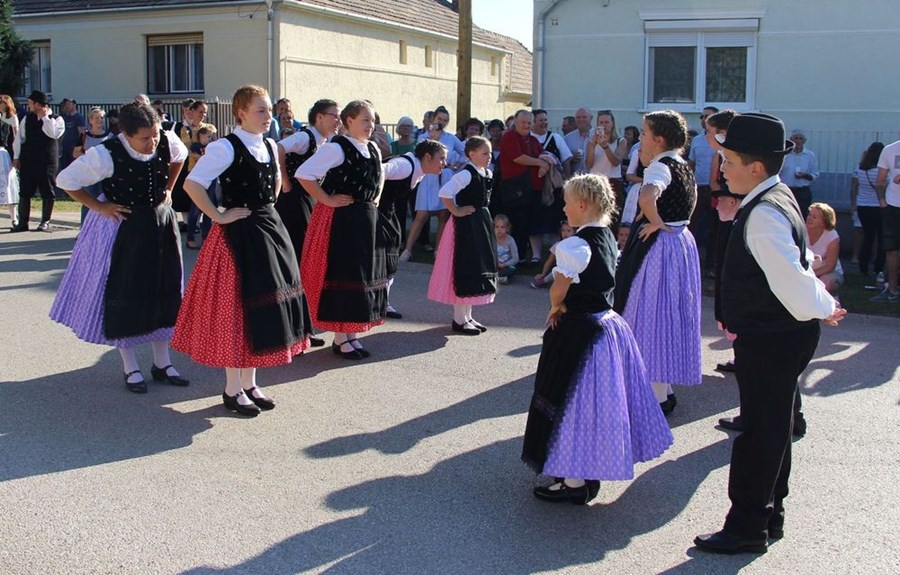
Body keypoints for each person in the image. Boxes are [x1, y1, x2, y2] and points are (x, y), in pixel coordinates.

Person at [695, 113, 845, 555]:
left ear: (756, 167)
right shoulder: (775, 196)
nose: (722, 168)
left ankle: (747, 526)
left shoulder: (764, 212)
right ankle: (768, 516)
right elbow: (801, 263)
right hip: (779, 333)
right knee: (773, 429)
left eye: (729, 160)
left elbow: (791, 278)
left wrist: (823, 306)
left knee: (761, 433)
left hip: (771, 337)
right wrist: (821, 304)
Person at [521, 173, 674, 505]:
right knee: (595, 405)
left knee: (572, 402)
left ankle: (574, 481)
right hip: (607, 327)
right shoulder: (606, 236)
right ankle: (586, 474)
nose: (563, 208)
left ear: (582, 204)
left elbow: (559, 288)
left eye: (566, 202)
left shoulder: (574, 245)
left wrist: (556, 305)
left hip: (580, 332)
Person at [172, 85, 307, 417]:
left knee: (261, 309)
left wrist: (268, 209)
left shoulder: (269, 144)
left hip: (269, 231)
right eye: (261, 110)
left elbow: (275, 186)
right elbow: (192, 184)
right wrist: (218, 215)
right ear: (241, 113)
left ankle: (250, 383)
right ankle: (232, 389)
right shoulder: (225, 147)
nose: (268, 116)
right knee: (238, 311)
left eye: (269, 110)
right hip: (238, 237)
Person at [50, 102, 189, 393]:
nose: (153, 142)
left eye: (155, 134)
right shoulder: (106, 153)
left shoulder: (165, 139)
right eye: (144, 138)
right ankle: (130, 366)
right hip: (124, 228)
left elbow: (181, 156)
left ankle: (162, 363)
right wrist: (99, 206)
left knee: (163, 289)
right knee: (126, 291)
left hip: (159, 224)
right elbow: (65, 180)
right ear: (125, 134)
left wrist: (168, 189)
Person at [614, 110, 701, 415]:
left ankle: (656, 396)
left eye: (644, 133)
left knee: (650, 316)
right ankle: (663, 389)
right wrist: (671, 222)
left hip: (659, 248)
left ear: (659, 139)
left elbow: (647, 195)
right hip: (680, 243)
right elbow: (692, 199)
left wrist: (657, 222)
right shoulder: (681, 164)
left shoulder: (659, 166)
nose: (641, 138)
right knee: (668, 315)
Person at [296, 100, 387, 360]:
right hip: (341, 219)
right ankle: (340, 338)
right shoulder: (336, 148)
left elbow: (379, 177)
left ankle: (351, 334)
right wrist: (326, 199)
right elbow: (304, 173)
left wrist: (373, 202)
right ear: (349, 121)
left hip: (365, 218)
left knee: (360, 276)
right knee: (343, 273)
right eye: (365, 120)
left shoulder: (372, 148)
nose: (371, 125)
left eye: (372, 120)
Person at [277, 98, 341, 347]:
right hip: (294, 202)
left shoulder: (328, 142)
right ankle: (296, 329)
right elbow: (278, 148)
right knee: (299, 261)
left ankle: (302, 328)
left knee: (306, 262)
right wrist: (284, 180)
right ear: (319, 117)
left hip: (309, 201)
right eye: (334, 115)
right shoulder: (305, 137)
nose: (338, 120)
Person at [427, 136, 497, 335]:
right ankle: (459, 319)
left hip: (480, 223)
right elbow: (445, 192)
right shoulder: (466, 174)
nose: (489, 157)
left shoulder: (486, 172)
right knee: (464, 267)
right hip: (465, 226)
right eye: (484, 153)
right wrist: (456, 211)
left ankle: (467, 316)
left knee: (476, 267)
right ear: (471, 154)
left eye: (490, 153)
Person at [381, 139, 448, 317]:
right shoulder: (405, 165)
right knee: (379, 257)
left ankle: (382, 302)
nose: (445, 163)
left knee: (390, 255)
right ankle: (374, 303)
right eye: (441, 158)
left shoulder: (418, 169)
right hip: (377, 214)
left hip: (387, 213)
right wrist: (373, 201)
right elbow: (378, 170)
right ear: (427, 157)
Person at [399, 105, 465, 262]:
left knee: (443, 215)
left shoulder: (451, 138)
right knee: (421, 215)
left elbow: (465, 152)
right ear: (433, 119)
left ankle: (438, 251)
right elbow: (421, 153)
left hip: (445, 175)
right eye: (439, 119)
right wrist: (434, 137)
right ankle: (408, 250)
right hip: (428, 177)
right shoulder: (423, 137)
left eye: (445, 120)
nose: (442, 122)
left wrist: (458, 165)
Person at [497, 110, 555, 262]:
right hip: (515, 189)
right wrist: (539, 162)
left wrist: (544, 164)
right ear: (515, 122)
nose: (526, 125)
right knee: (517, 224)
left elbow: (543, 155)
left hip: (533, 189)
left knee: (527, 225)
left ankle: (521, 257)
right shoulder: (509, 137)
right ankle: (514, 259)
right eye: (523, 122)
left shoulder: (533, 140)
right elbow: (518, 157)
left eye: (529, 122)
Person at [11, 90, 64, 233]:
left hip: (47, 162)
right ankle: (23, 223)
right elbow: (19, 139)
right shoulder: (27, 118)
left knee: (47, 191)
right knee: (25, 191)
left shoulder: (56, 119)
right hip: (28, 161)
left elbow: (53, 133)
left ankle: (45, 222)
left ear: (38, 104)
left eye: (30, 103)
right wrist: (16, 157)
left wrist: (45, 118)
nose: (28, 106)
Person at [531, 109, 572, 260]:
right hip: (534, 186)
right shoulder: (528, 139)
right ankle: (536, 255)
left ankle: (556, 254)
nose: (544, 123)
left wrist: (566, 180)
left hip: (554, 187)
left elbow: (566, 159)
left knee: (555, 221)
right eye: (540, 120)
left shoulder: (555, 137)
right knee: (534, 221)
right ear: (533, 122)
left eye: (545, 120)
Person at [585, 110, 627, 231]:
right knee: (594, 217)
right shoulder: (592, 141)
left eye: (607, 122)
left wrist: (605, 146)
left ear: (612, 123)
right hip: (595, 181)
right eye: (601, 122)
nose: (604, 125)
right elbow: (588, 164)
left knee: (612, 219)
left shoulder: (620, 141)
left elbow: (615, 162)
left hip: (612, 182)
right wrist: (592, 146)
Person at [72, 107, 113, 223]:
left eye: (101, 117)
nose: (99, 120)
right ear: (90, 120)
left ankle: (100, 227)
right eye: (96, 118)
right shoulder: (84, 136)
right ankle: (85, 227)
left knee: (104, 201)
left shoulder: (109, 136)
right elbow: (75, 153)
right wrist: (90, 156)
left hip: (104, 175)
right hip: (89, 174)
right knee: (88, 202)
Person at [851, 142, 885, 279]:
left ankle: (863, 266)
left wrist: (853, 204)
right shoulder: (881, 170)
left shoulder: (860, 169)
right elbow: (883, 186)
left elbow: (854, 187)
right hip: (879, 206)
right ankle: (878, 267)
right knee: (881, 237)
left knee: (867, 237)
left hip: (863, 206)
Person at [872, 138, 900, 303]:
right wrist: (883, 202)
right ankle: (892, 289)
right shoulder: (889, 150)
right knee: (891, 250)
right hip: (892, 206)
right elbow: (880, 181)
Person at [779, 129, 819, 217]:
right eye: (796, 138)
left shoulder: (810, 155)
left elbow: (815, 173)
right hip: (786, 190)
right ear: (791, 140)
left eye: (801, 139)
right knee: (785, 215)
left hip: (802, 192)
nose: (798, 141)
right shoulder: (785, 155)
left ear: (804, 141)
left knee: (803, 215)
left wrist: (806, 175)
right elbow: (778, 172)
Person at [806, 202, 843, 295]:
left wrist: (810, 274)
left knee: (824, 283)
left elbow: (830, 266)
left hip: (828, 272)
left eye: (814, 217)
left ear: (823, 223)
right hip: (806, 270)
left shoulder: (832, 236)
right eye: (809, 215)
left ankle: (832, 301)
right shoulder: (800, 230)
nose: (809, 218)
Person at [531, 220, 575, 288]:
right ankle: (543, 280)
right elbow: (549, 261)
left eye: (568, 231)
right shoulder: (558, 245)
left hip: (574, 269)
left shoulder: (577, 245)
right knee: (556, 271)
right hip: (561, 269)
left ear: (574, 232)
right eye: (563, 230)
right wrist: (543, 273)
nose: (565, 233)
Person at [58, 98, 87, 180]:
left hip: (74, 148)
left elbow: (82, 133)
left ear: (74, 105)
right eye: (66, 104)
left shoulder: (78, 117)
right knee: (65, 169)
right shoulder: (66, 118)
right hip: (65, 148)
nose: (67, 106)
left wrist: (79, 147)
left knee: (74, 169)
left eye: (69, 104)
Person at [563, 107, 592, 174]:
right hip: (576, 178)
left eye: (584, 117)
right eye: (578, 117)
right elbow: (563, 161)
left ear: (591, 118)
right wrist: (571, 159)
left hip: (595, 177)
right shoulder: (567, 138)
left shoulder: (598, 136)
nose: (581, 119)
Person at [493, 213, 519, 284]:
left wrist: (504, 264)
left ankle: (496, 278)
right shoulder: (491, 239)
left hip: (506, 265)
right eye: (497, 227)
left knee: (511, 270)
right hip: (495, 265)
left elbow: (516, 258)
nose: (499, 230)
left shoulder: (510, 240)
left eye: (502, 227)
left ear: (507, 228)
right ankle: (499, 278)